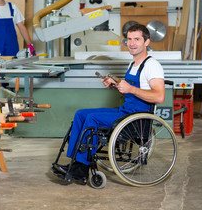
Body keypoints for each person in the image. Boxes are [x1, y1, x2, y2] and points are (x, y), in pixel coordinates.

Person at [51, 23, 165, 184]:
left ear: (146, 42)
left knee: (92, 119)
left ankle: (81, 168)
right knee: (81, 114)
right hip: (125, 111)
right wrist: (116, 85)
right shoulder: (133, 64)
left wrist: (130, 88)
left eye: (137, 39)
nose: (132, 43)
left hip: (137, 118)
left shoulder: (152, 66)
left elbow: (159, 96)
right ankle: (75, 161)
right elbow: (129, 91)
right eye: (129, 39)